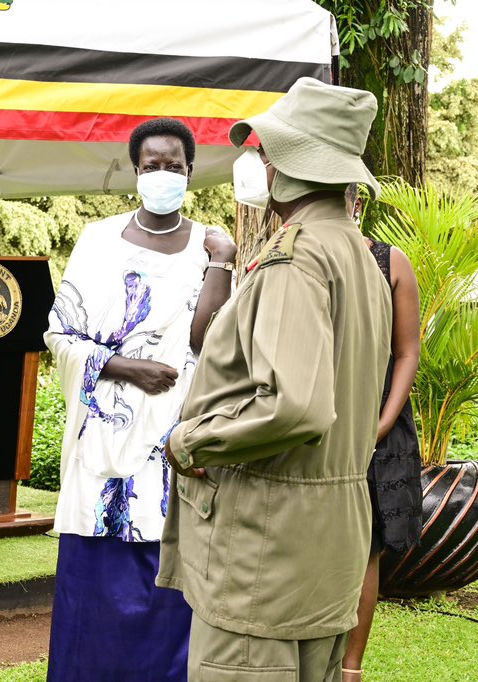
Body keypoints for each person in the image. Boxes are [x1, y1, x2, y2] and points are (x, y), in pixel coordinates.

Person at [159, 77, 392, 681]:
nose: (254, 161)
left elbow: (298, 408)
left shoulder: (299, 256)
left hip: (264, 554)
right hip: (322, 552)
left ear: (290, 163)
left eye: (264, 150)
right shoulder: (358, 255)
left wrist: (191, 441)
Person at [44, 117, 236, 681]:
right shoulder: (98, 240)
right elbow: (60, 334)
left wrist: (222, 262)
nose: (162, 175)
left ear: (190, 172)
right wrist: (126, 368)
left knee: (167, 593)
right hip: (104, 441)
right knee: (94, 599)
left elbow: (212, 341)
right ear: (135, 171)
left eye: (173, 167)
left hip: (175, 441)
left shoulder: (210, 243)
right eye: (151, 166)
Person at [341, 186, 423, 682]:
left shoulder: (389, 261)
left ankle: (350, 669)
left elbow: (408, 351)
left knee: (365, 545)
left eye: (345, 196)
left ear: (355, 201)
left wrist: (383, 422)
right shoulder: (286, 256)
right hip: (312, 424)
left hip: (376, 426)